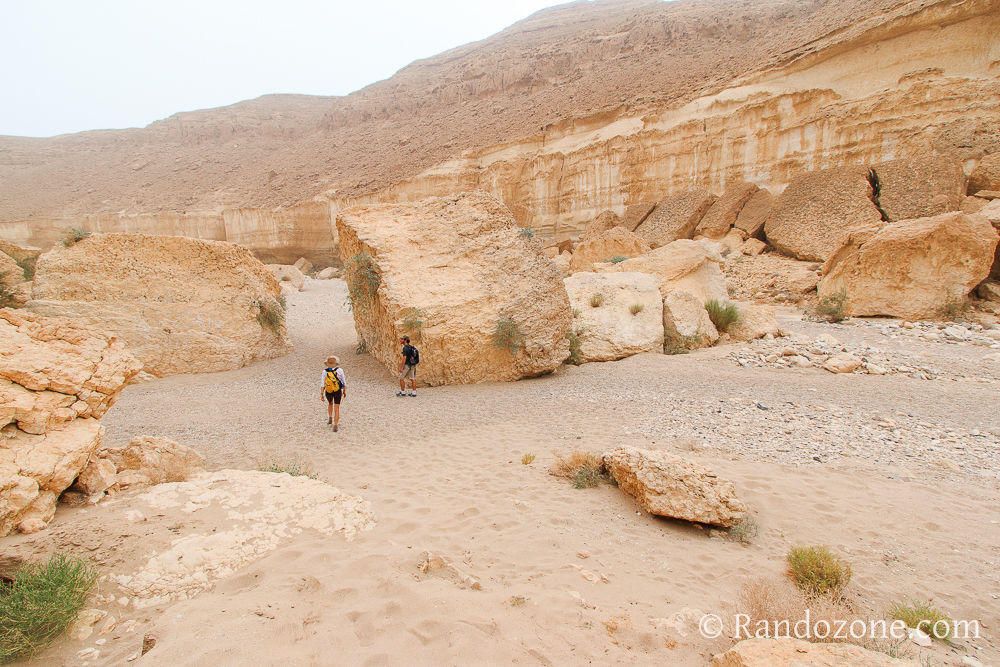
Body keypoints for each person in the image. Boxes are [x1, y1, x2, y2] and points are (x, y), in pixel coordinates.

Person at [321, 356, 347, 431]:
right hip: (337, 390)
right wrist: (344, 391)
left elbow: (322, 383)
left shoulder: (325, 372)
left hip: (328, 390)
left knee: (330, 403)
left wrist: (322, 394)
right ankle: (335, 425)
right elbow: (343, 381)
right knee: (337, 408)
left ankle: (330, 417)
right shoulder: (340, 370)